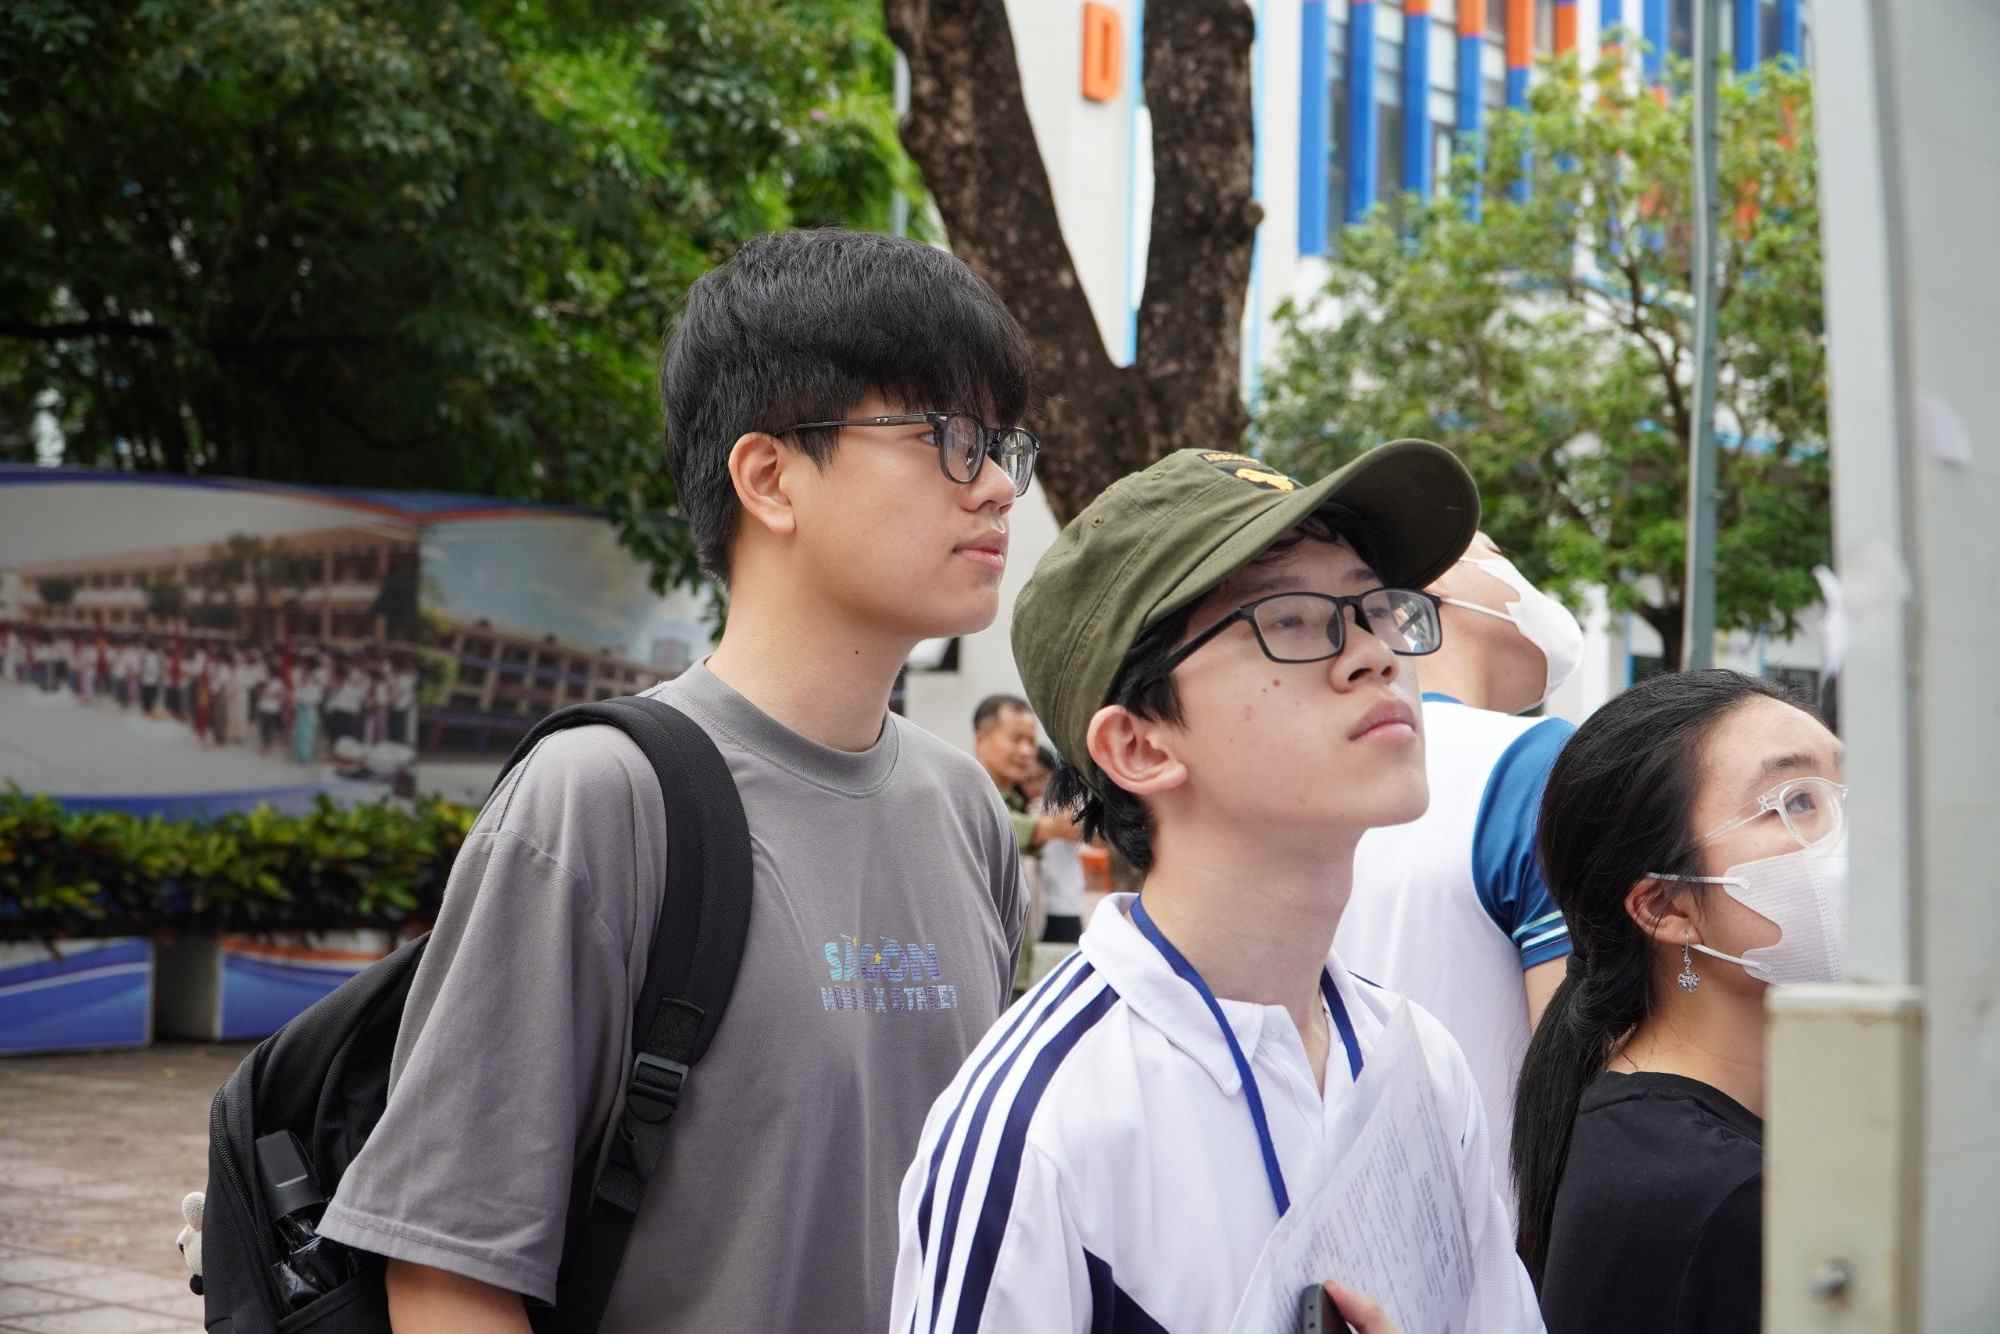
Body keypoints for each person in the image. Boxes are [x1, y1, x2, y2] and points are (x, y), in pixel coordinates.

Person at [320, 228, 1038, 1332]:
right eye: (945, 434)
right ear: (768, 476)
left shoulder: (966, 811)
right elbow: (449, 1273)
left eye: (999, 442)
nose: (994, 486)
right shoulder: (599, 800)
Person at [891, 444, 1541, 1331]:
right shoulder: (1038, 1128)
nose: (1377, 656)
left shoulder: (1417, 1061)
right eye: (1298, 620)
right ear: (1141, 747)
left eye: (1378, 609)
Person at [1512, 670, 1845, 1332]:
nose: (1848, 833)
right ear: (1667, 907)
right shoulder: (1721, 1194)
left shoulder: (1650, 1124)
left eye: (1846, 789)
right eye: (1797, 802)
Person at [1337, 531, 1581, 1214]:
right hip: (1496, 1248)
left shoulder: (1305, 775)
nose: (1517, 575)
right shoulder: (1537, 761)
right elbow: (1581, 1078)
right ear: (1425, 597)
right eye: (1497, 552)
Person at [1027, 744, 1088, 944]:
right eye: (1028, 780)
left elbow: (1080, 831)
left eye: (1041, 777)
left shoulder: (1064, 806)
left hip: (1063, 907)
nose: (1034, 786)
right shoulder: (1022, 805)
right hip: (1031, 911)